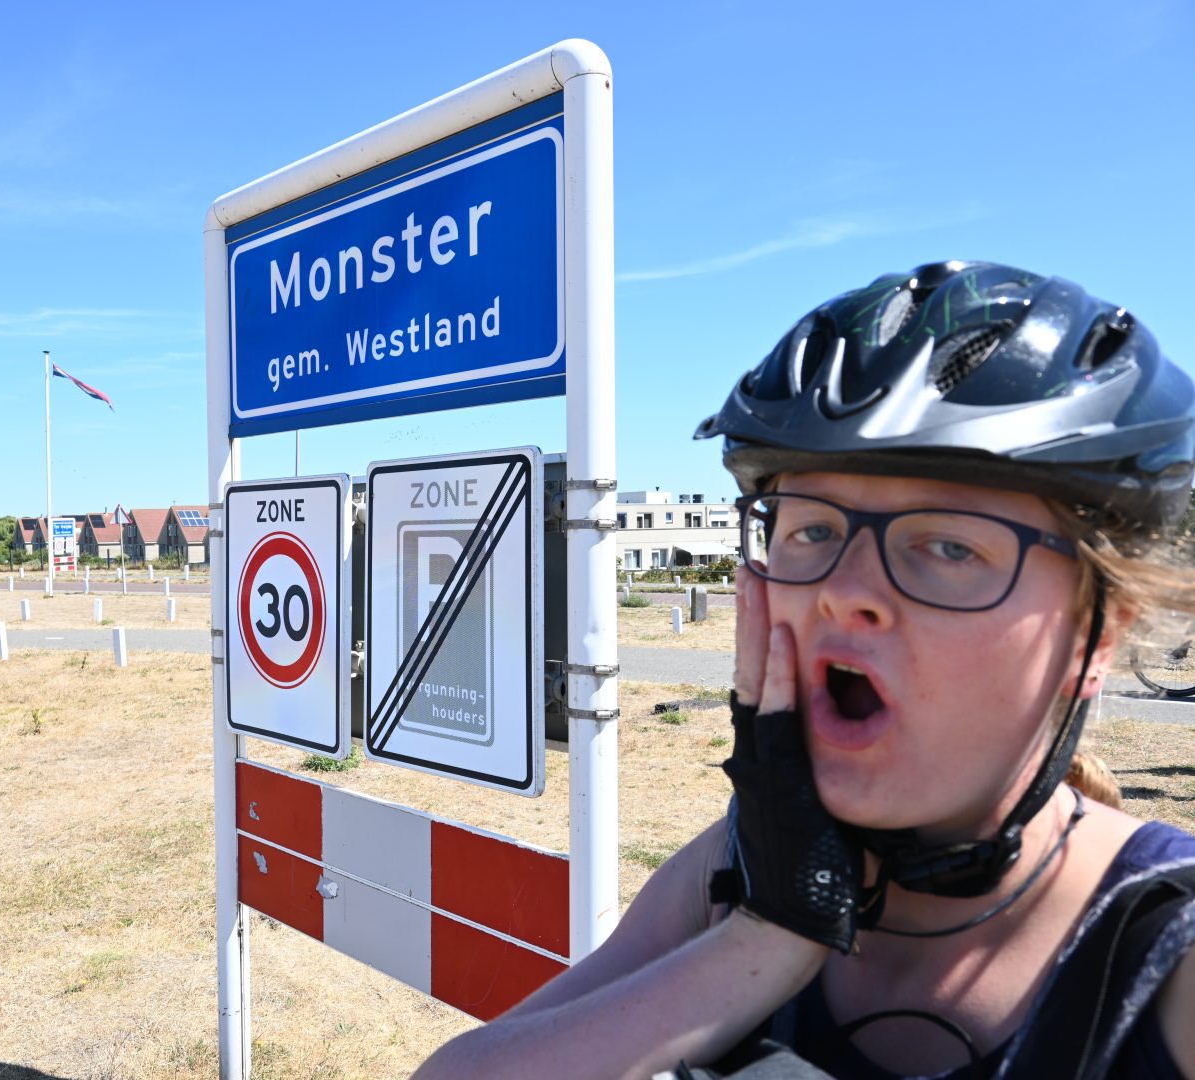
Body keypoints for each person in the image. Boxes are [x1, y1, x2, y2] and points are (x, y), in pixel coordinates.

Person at [414, 261, 1195, 1079]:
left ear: (1098, 636)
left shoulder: (1165, 956)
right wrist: (767, 939)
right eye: (812, 530)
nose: (844, 591)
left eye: (950, 545)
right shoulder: (746, 862)